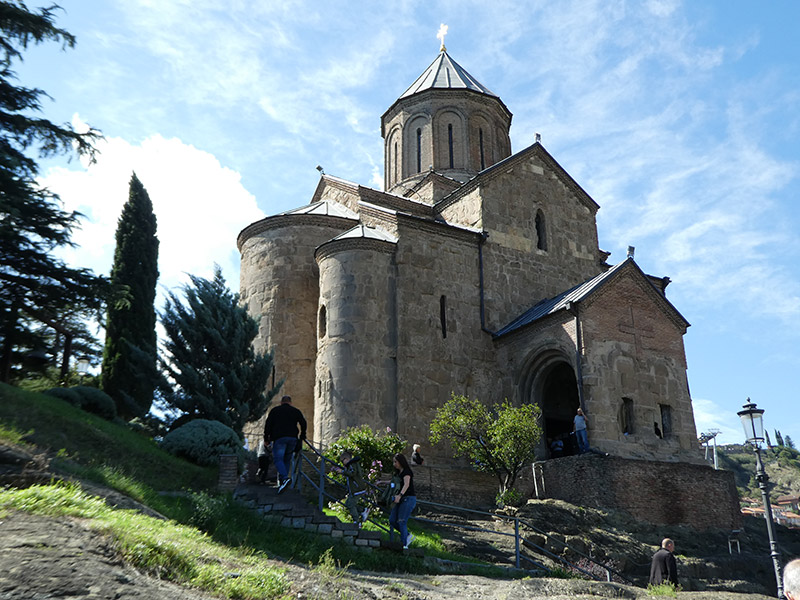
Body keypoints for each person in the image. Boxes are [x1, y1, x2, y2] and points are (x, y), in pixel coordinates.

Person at [263, 395, 307, 492]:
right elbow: (303, 422)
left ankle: (284, 478)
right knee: (287, 460)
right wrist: (302, 435)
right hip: (292, 439)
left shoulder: (275, 411)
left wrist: (266, 438)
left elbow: (268, 425)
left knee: (278, 459)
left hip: (280, 438)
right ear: (290, 402)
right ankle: (284, 482)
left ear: (281, 402)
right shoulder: (295, 411)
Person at [389, 452, 417, 550]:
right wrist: (381, 482)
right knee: (392, 520)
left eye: (395, 462)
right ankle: (408, 535)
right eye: (394, 462)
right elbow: (393, 482)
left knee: (401, 521)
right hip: (400, 499)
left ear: (401, 461)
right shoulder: (398, 473)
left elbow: (406, 484)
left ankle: (404, 544)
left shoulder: (407, 472)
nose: (394, 464)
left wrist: (400, 495)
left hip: (408, 498)